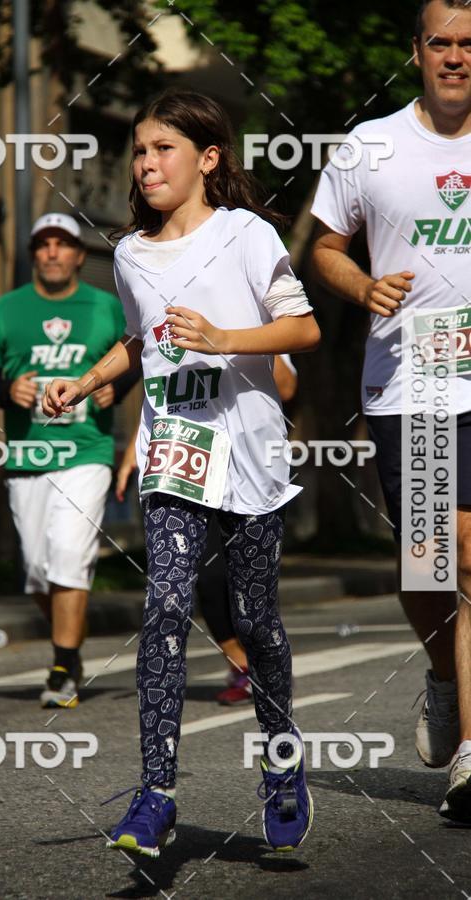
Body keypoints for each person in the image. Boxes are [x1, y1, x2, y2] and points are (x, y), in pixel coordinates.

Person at [43, 90, 320, 856]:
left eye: (162, 148)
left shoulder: (246, 234)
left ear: (207, 159)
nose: (146, 163)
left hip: (252, 458)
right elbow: (138, 342)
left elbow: (305, 325)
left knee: (256, 624)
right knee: (163, 608)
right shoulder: (130, 251)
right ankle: (156, 793)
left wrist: (226, 336)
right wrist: (92, 379)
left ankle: (283, 762)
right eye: (138, 151)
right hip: (176, 456)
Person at [311, 0, 471, 822]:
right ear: (416, 52)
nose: (455, 56)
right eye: (440, 43)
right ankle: (444, 675)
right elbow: (324, 249)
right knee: (426, 561)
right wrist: (364, 286)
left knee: (469, 554)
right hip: (413, 381)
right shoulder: (370, 143)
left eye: (469, 44)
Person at [0, 212, 136, 709]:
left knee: (68, 552)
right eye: (43, 245)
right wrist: (7, 388)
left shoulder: (107, 306)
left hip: (86, 452)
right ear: (33, 256)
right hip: (28, 455)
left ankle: (62, 667)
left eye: (62, 244)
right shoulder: (9, 308)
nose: (52, 253)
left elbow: (140, 354)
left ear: (79, 256)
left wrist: (114, 387)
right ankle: (72, 649)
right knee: (40, 572)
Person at [116, 354, 298, 707]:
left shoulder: (249, 304)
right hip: (185, 453)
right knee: (203, 576)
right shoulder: (167, 308)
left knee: (253, 603)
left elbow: (288, 385)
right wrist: (136, 449)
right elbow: (158, 380)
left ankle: (267, 674)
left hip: (246, 465)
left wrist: (230, 339)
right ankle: (240, 664)